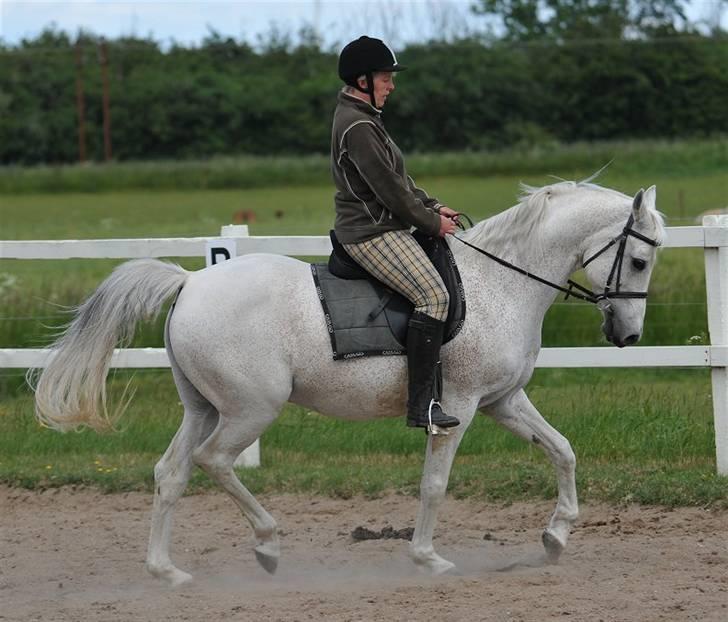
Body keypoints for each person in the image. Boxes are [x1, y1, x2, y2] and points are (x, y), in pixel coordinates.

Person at [331, 35, 461, 431]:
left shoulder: (366, 118)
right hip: (370, 232)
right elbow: (389, 192)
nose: (392, 85)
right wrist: (431, 223)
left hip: (382, 224)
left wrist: (433, 204)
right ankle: (423, 405)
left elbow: (399, 180)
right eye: (386, 78)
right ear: (363, 80)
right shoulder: (357, 125)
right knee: (434, 296)